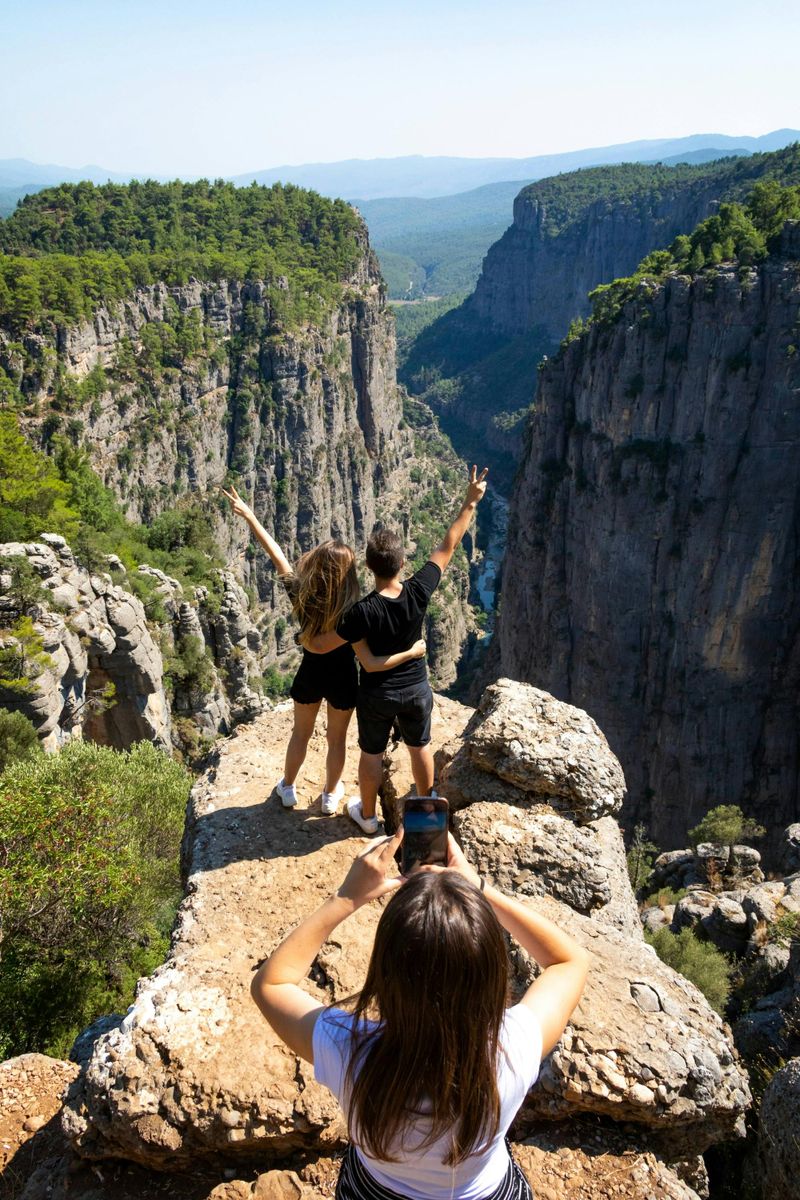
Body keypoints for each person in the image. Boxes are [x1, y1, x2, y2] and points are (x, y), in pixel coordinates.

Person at [251, 830, 590, 1200]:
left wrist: (347, 897)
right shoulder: (513, 1049)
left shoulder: (347, 1049)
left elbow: (271, 985)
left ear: (384, 972)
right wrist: (477, 886)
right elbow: (568, 961)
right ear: (492, 978)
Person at [304, 465, 489, 834]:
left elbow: (325, 645)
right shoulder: (419, 589)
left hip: (377, 696)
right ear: (402, 563)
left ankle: (368, 817)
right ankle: (428, 814)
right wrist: (470, 502)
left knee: (371, 753)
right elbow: (449, 544)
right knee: (419, 745)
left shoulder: (360, 614)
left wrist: (304, 640)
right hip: (417, 689)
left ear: (369, 568)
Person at [223, 486, 425, 814]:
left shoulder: (301, 595)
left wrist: (250, 517)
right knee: (336, 740)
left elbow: (276, 554)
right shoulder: (356, 612)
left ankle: (287, 787)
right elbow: (371, 653)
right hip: (344, 679)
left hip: (309, 676)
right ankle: (331, 795)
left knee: (300, 735)